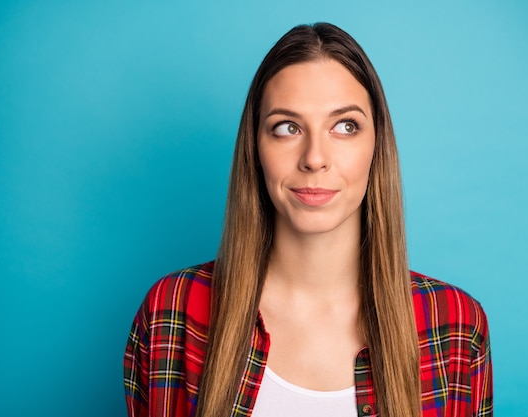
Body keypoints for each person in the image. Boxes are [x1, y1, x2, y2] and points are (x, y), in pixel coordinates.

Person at [123, 22, 492, 417]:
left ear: (376, 145)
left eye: (345, 126)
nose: (314, 157)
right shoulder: (171, 312)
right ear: (255, 147)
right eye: (287, 128)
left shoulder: (454, 325)